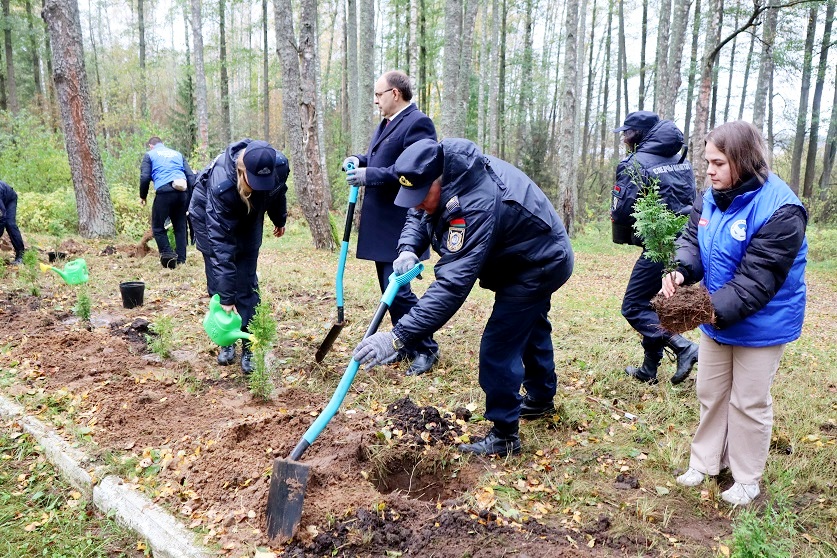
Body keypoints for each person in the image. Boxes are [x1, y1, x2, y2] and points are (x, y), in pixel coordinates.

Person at [352, 138, 574, 456]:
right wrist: (407, 248)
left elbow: (452, 285)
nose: (416, 204)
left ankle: (504, 437)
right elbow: (418, 213)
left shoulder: (475, 204)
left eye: (421, 196)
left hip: (539, 263)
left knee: (499, 344)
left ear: (439, 182)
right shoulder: (442, 175)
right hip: (520, 255)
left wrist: (397, 337)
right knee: (529, 325)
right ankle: (540, 398)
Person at [662, 121, 807, 506]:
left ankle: (746, 478)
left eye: (718, 163)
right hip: (717, 315)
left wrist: (699, 310)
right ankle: (706, 462)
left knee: (748, 401)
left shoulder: (783, 210)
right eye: (708, 162)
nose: (709, 171)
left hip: (762, 323)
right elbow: (692, 240)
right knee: (710, 391)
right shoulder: (711, 195)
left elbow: (757, 280)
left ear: (743, 161)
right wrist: (681, 270)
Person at [341, 70, 440, 376]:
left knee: (398, 290)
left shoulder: (418, 123)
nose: (375, 100)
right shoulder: (388, 122)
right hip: (380, 222)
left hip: (400, 223)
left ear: (395, 93)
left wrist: (369, 175)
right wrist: (360, 160)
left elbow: (413, 169)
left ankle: (426, 348)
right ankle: (406, 344)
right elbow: (380, 158)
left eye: (378, 94)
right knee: (389, 289)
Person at [611, 110, 699, 385]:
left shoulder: (634, 164)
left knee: (634, 306)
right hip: (687, 244)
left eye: (627, 133)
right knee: (655, 305)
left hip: (660, 245)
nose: (624, 138)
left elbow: (622, 211)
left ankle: (683, 347)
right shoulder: (680, 160)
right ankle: (649, 370)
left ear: (638, 134)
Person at [189, 139, 290, 374]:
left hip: (250, 216)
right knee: (219, 280)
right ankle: (227, 339)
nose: (260, 187)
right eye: (254, 182)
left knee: (247, 281)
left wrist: (279, 218)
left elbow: (277, 192)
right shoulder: (221, 184)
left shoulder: (279, 166)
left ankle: (248, 343)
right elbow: (221, 248)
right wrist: (226, 297)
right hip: (209, 216)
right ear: (241, 171)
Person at [140, 137, 195, 267]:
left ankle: (168, 258)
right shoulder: (178, 154)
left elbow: (145, 177)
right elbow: (191, 177)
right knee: (180, 227)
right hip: (182, 192)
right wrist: (190, 198)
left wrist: (143, 196)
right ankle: (181, 260)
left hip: (164, 193)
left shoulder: (150, 155)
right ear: (163, 144)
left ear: (151, 146)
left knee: (158, 227)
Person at [0, 180, 25, 265]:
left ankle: (21, 255)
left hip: (9, 199)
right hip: (2, 197)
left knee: (9, 224)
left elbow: (2, 217)